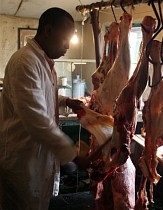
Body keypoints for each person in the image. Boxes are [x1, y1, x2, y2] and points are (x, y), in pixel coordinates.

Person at [0, 7, 88, 210]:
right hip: (23, 161)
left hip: (37, 159)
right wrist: (72, 154)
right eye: (65, 39)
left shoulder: (43, 61)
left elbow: (43, 95)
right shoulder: (25, 62)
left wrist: (66, 101)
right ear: (48, 31)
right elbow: (36, 119)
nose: (67, 47)